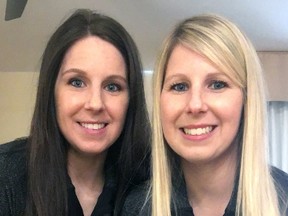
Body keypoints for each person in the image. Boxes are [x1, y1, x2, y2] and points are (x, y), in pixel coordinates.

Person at [122, 14, 288, 216]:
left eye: (217, 84)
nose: (195, 104)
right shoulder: (138, 208)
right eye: (179, 86)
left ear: (247, 99)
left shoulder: (284, 199)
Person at [0, 9, 151, 216]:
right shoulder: (5, 173)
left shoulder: (151, 185)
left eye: (113, 86)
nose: (95, 103)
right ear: (51, 91)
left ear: (130, 100)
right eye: (77, 82)